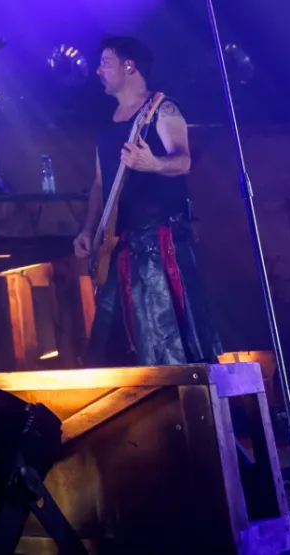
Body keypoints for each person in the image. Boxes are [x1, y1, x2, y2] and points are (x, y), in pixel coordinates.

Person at [75, 36, 220, 366]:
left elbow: (183, 161)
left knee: (167, 340)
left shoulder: (162, 109)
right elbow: (99, 184)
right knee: (115, 348)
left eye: (105, 63)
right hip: (118, 244)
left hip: (160, 242)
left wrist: (153, 164)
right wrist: (88, 230)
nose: (98, 71)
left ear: (129, 66)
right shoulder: (106, 122)